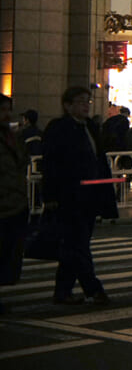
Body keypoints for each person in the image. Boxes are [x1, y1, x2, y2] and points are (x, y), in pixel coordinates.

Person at [42, 87, 118, 305]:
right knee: (78, 244)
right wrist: (50, 196)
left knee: (75, 245)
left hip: (91, 195)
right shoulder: (59, 128)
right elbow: (50, 164)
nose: (86, 105)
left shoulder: (91, 127)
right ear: (67, 105)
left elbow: (99, 160)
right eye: (80, 101)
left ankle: (63, 290)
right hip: (69, 195)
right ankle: (92, 288)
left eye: (88, 101)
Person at [0, 94, 29, 313]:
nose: (7, 115)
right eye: (3, 110)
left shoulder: (11, 136)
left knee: (8, 251)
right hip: (6, 201)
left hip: (14, 202)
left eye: (8, 109)